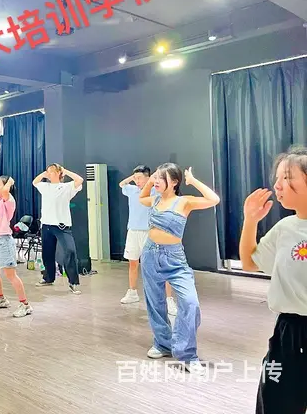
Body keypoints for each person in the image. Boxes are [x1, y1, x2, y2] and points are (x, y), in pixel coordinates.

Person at [239, 145, 307, 414]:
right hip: (288, 331)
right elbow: (249, 263)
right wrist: (250, 221)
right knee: (275, 403)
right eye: (277, 178)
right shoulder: (285, 228)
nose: (278, 185)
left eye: (287, 178)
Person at [138, 163, 219, 372]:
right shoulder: (155, 199)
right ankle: (162, 344)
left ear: (174, 182)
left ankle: (187, 354)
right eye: (156, 177)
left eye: (161, 177)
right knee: (155, 303)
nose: (156, 180)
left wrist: (193, 181)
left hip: (174, 258)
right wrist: (150, 182)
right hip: (150, 254)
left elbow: (214, 199)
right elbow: (141, 198)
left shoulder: (184, 202)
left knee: (190, 303)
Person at [119, 165, 177, 315]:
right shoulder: (132, 190)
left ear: (148, 178)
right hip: (133, 231)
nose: (137, 181)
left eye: (140, 178)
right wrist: (133, 177)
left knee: (159, 266)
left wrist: (153, 180)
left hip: (150, 232)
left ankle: (168, 300)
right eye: (135, 178)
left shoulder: (155, 192)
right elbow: (122, 184)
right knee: (133, 263)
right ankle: (132, 292)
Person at [32, 163, 84, 295]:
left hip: (62, 226)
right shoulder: (45, 186)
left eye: (51, 171)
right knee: (47, 253)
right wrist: (44, 174)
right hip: (47, 225)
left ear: (59, 173)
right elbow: (35, 182)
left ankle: (73, 282)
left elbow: (79, 180)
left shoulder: (67, 187)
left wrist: (66, 171)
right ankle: (48, 278)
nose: (48, 173)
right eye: (47, 171)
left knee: (70, 251)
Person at [0, 175, 33, 318]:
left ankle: (25, 305)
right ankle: (1, 299)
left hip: (4, 241)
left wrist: (9, 182)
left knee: (10, 274)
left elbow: (5, 191)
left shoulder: (8, 200)